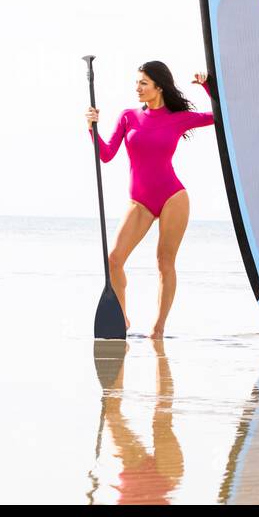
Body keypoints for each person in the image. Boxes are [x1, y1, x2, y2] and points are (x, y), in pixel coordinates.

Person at [84, 61, 214, 338]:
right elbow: (106, 154)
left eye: (143, 83)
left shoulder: (178, 117)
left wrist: (207, 85)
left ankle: (158, 328)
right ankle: (122, 318)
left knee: (164, 262)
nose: (138, 88)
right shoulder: (128, 116)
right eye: (137, 83)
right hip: (139, 201)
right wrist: (92, 128)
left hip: (172, 197)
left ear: (159, 87)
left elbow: (219, 116)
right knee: (114, 259)